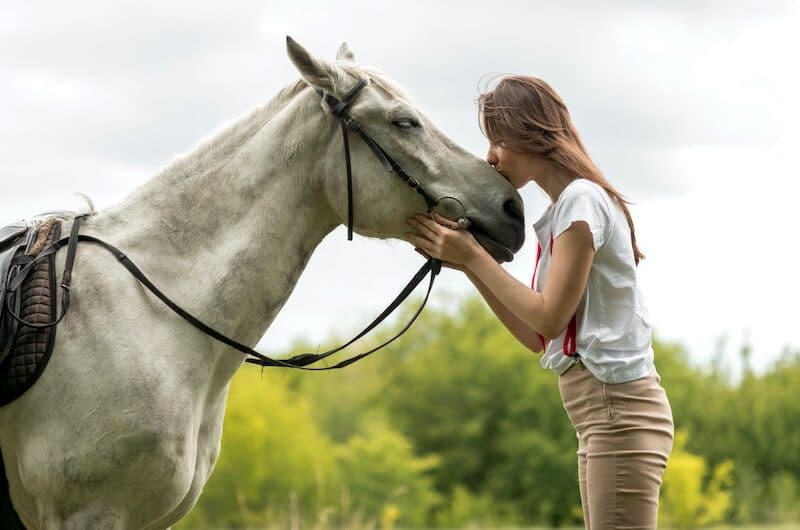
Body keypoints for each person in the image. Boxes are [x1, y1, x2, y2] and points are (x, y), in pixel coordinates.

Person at [403, 75, 674, 530]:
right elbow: (537, 336)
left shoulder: (581, 202)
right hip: (603, 415)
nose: (490, 157)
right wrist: (470, 265)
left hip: (618, 414)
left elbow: (549, 317)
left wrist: (472, 254)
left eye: (497, 141)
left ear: (531, 133)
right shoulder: (568, 207)